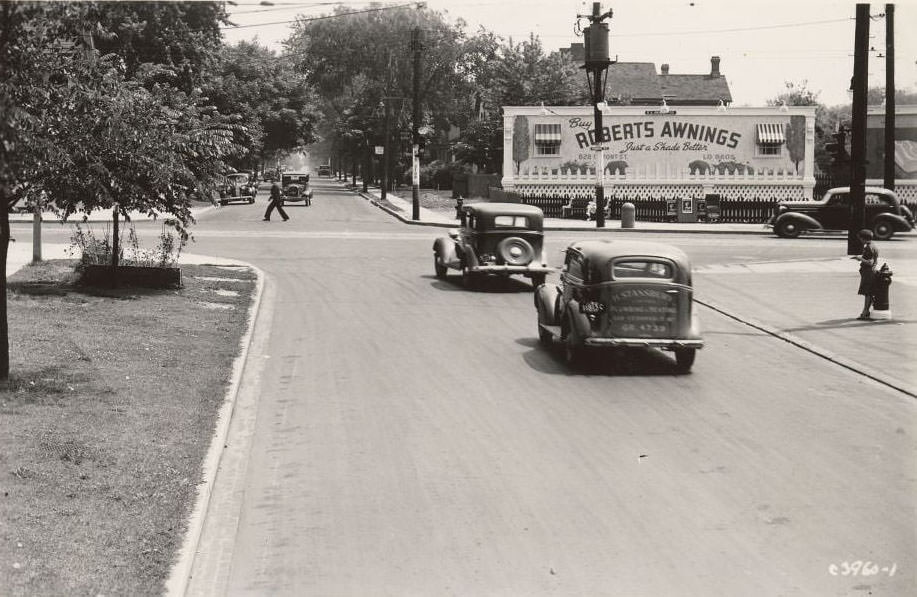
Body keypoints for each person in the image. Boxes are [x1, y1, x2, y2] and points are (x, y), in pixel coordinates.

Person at [853, 228, 878, 320]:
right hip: (871, 271)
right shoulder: (873, 245)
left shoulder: (868, 247)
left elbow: (870, 262)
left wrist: (860, 258)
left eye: (860, 238)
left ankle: (865, 312)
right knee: (869, 293)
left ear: (863, 238)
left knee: (867, 293)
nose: (860, 240)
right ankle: (866, 311)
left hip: (868, 272)